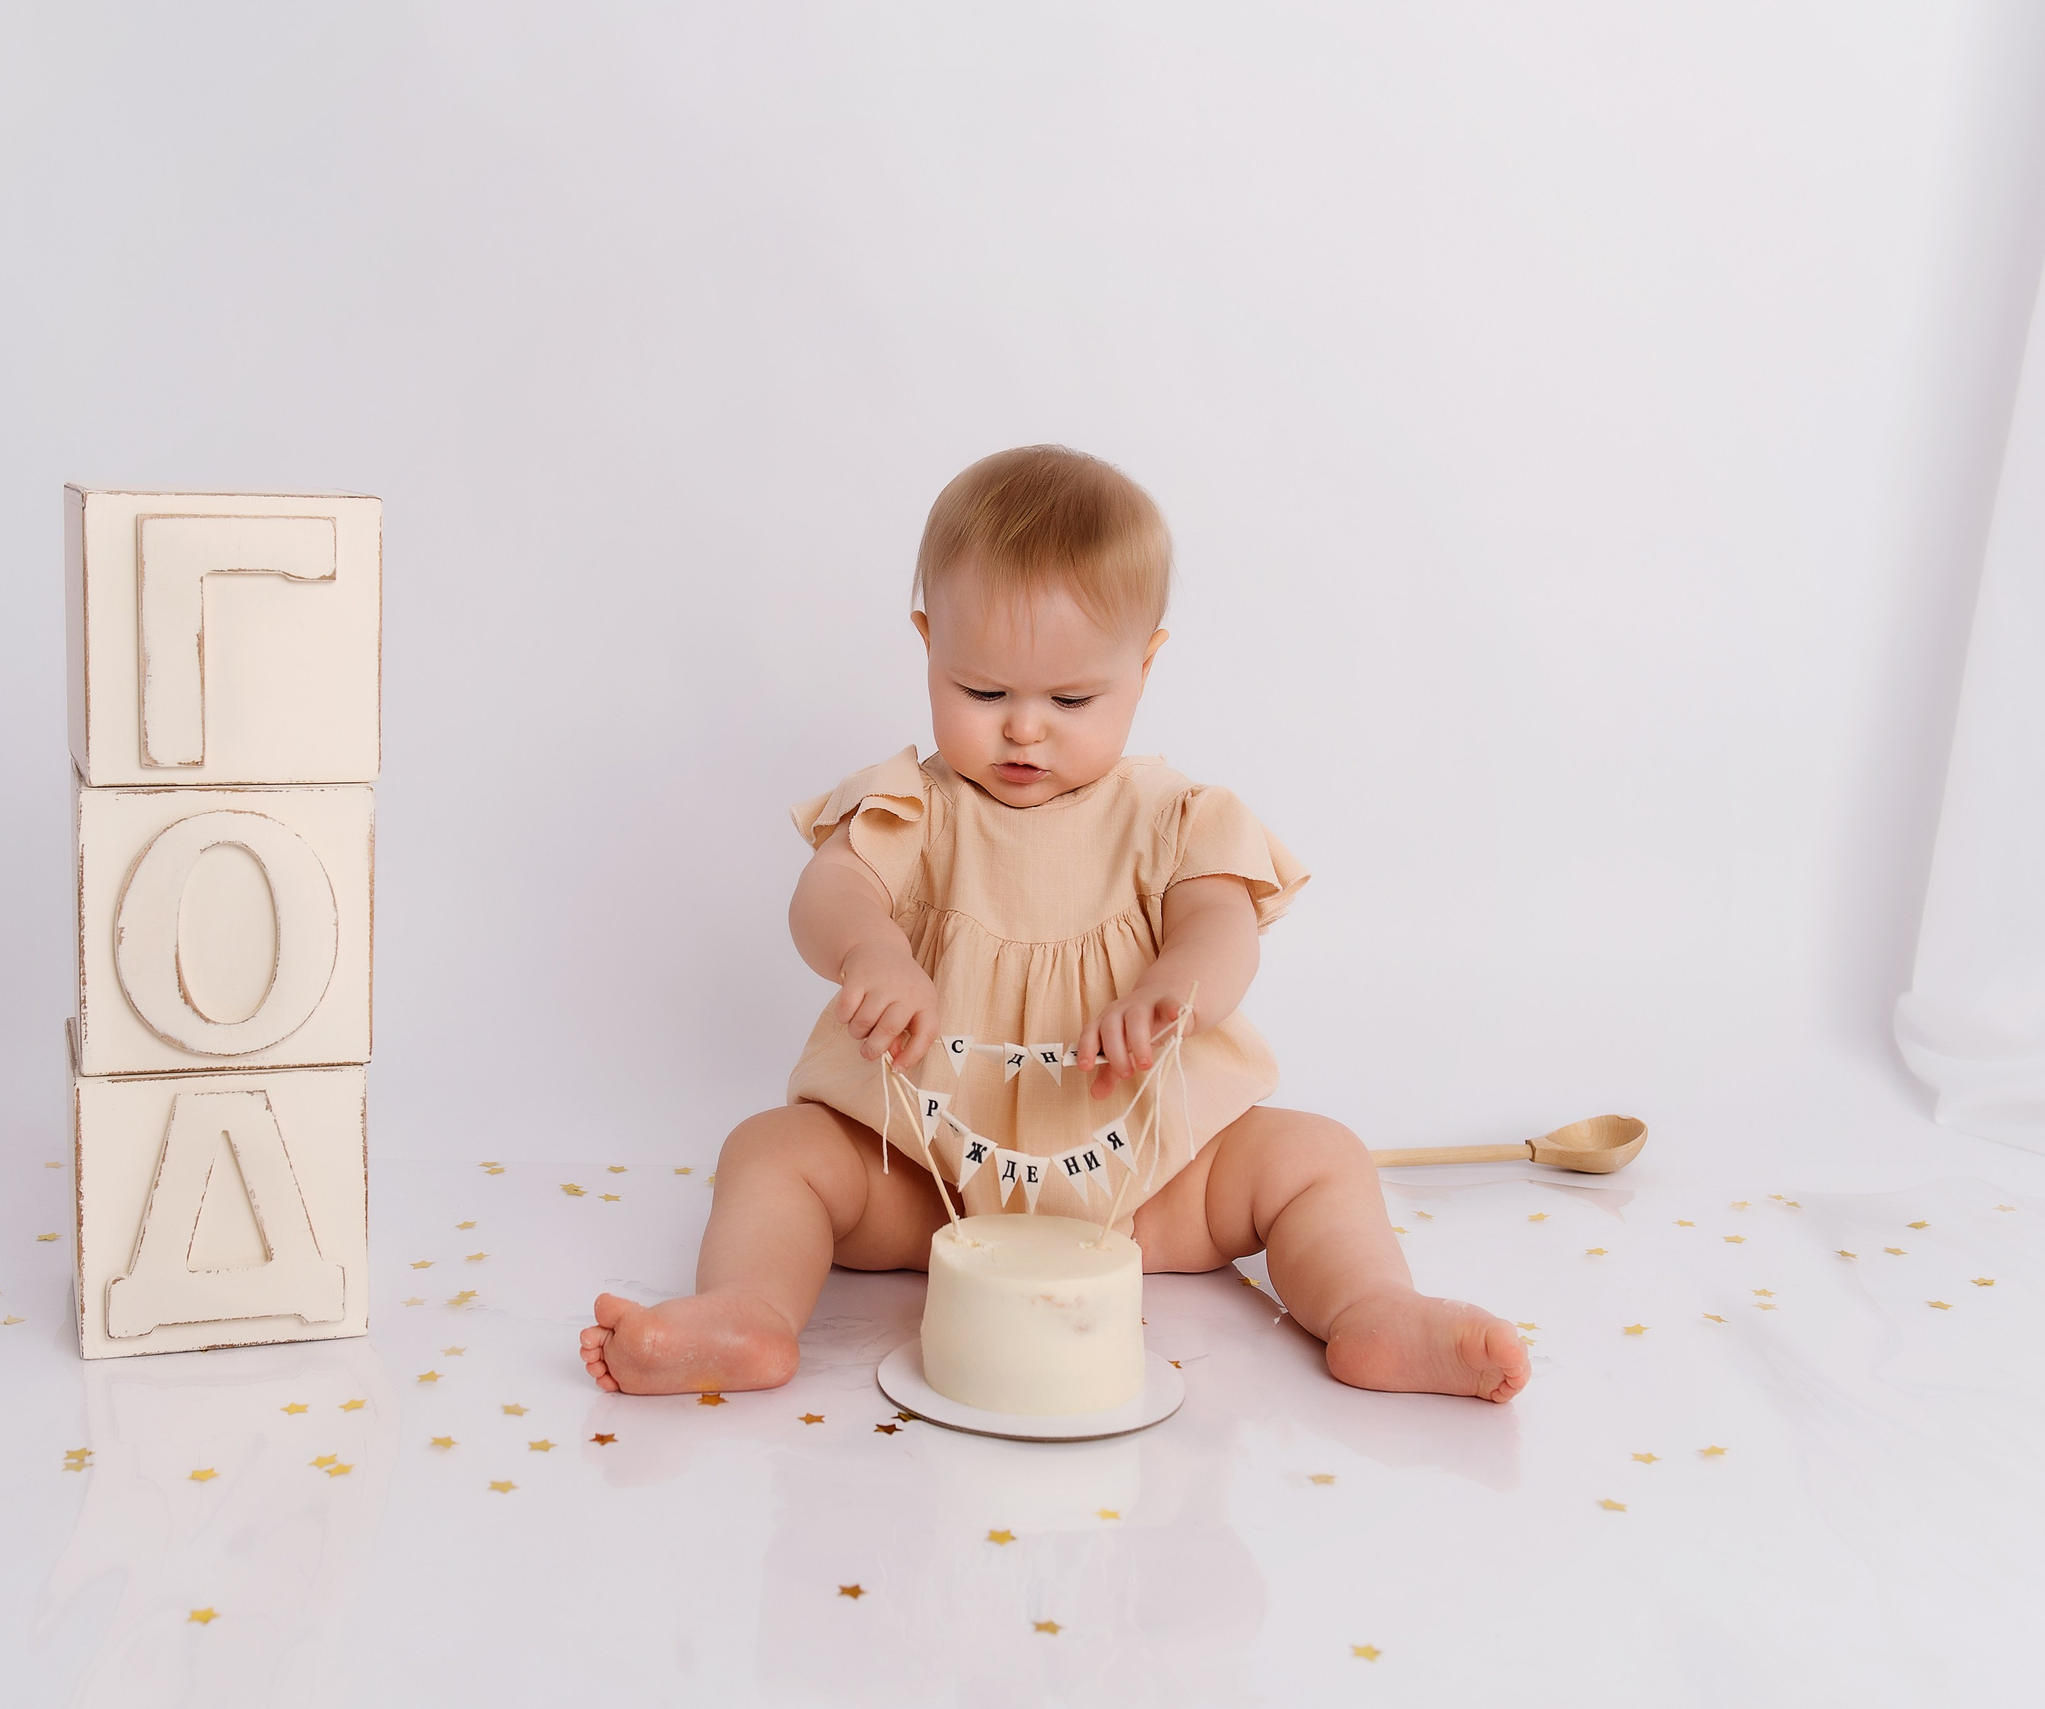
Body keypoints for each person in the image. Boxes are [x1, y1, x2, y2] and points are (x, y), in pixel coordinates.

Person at [580, 445, 1528, 1403]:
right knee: (773, 1152)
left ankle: (1372, 1310)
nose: (1024, 728)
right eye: (982, 692)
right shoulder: (914, 804)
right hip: (927, 1175)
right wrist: (872, 949)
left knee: (1319, 1156)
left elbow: (1222, 923)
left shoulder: (1172, 817)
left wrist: (1175, 993)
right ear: (927, 646)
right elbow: (828, 889)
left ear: (1146, 664)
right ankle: (746, 1312)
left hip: (1149, 1184)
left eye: (1072, 699)